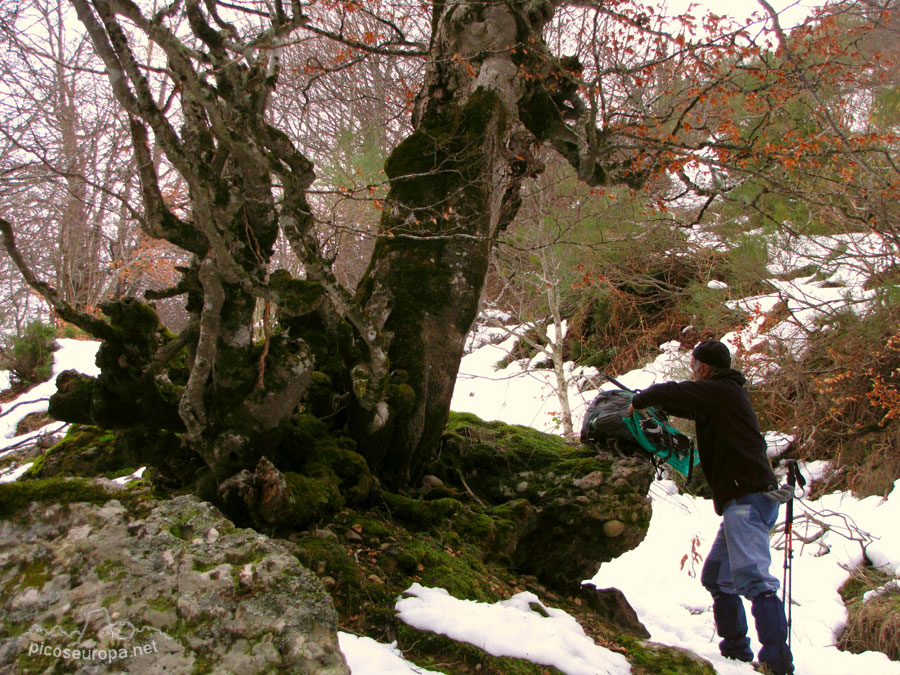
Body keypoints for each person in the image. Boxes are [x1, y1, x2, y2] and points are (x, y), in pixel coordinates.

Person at [626, 339, 794, 675]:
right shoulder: (721, 396)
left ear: (703, 368)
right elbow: (687, 403)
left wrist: (641, 400)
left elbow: (679, 393)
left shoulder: (722, 392)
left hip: (747, 501)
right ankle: (735, 654)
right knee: (718, 577)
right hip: (743, 501)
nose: (692, 371)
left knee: (755, 579)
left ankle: (777, 662)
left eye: (693, 366)